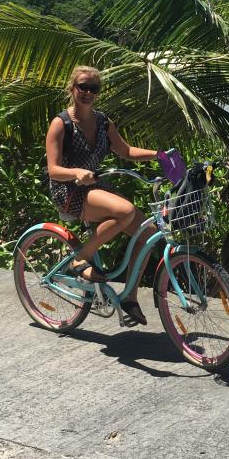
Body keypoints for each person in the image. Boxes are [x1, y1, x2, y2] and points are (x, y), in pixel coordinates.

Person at [45, 65, 158, 326]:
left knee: (148, 234)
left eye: (93, 89)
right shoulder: (60, 124)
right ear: (72, 88)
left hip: (95, 188)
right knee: (125, 211)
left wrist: (159, 155)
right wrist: (76, 172)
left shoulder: (104, 122)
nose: (87, 92)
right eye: (82, 87)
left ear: (98, 93)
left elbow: (126, 151)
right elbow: (53, 170)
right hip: (68, 189)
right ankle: (81, 259)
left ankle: (129, 296)